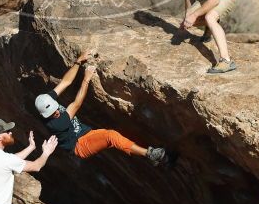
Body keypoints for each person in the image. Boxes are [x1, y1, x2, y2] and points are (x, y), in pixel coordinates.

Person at [34, 50, 167, 165]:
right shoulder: (55, 124)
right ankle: (150, 154)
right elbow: (76, 104)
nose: (57, 112)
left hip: (87, 133)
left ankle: (161, 159)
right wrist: (86, 79)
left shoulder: (47, 99)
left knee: (116, 140)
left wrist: (78, 61)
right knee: (111, 136)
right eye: (53, 113)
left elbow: (65, 82)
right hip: (79, 145)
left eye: (56, 109)